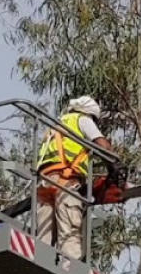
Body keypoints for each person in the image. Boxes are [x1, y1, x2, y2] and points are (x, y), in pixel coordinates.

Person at [35, 95, 115, 260]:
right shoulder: (83, 120)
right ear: (90, 114)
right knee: (70, 232)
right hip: (67, 181)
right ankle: (70, 271)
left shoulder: (55, 126)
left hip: (45, 182)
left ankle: (40, 264)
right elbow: (103, 146)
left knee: (43, 235)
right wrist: (116, 166)